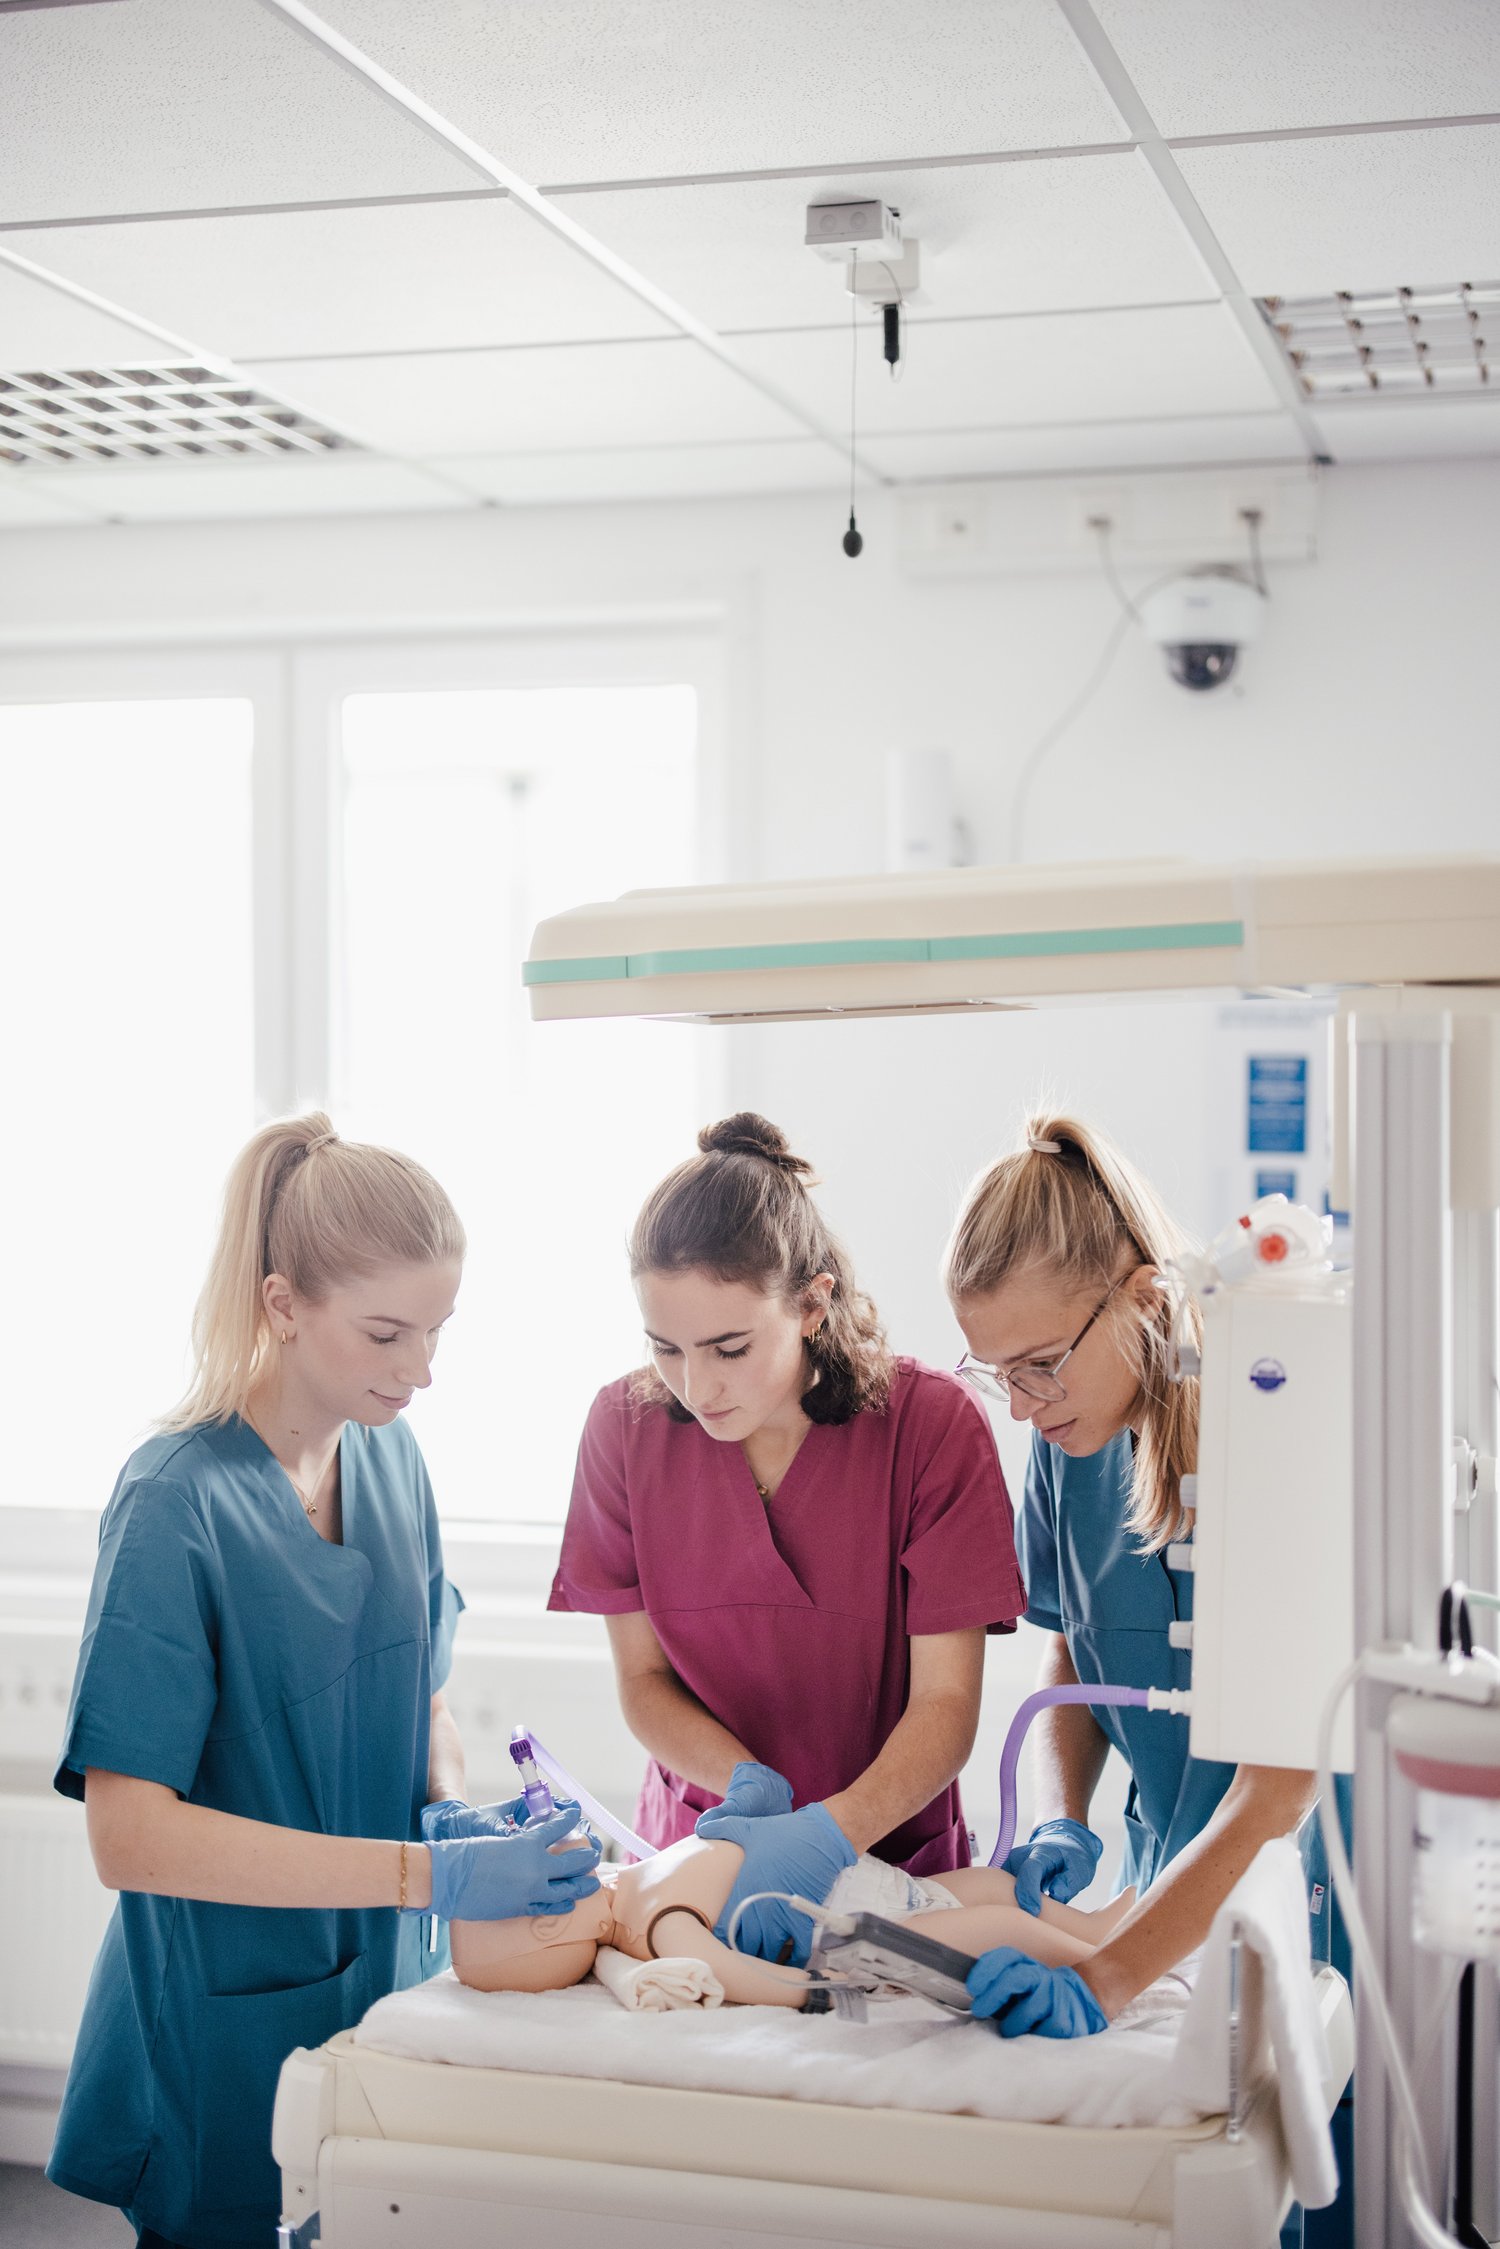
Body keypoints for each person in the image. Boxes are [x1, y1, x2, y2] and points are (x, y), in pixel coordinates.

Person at [47, 1114, 601, 2249]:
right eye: (388, 1332)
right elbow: (131, 1836)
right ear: (284, 1303)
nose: (422, 1369)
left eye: (439, 1328)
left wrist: (455, 1802)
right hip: (227, 2019)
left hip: (387, 1990)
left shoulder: (389, 1452)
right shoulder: (175, 1504)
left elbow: (423, 1697)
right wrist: (429, 1868)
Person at [549, 1112, 1024, 1965]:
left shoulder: (929, 1428)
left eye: (729, 1347)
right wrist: (747, 1790)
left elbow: (947, 1708)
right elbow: (643, 1679)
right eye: (665, 1347)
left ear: (813, 1303)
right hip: (703, 1864)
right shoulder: (624, 1429)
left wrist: (831, 1834)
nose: (696, 1386)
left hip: (891, 1867)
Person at [940, 1112, 1324, 2043]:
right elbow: (1075, 1644)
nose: (1024, 1408)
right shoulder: (1073, 1441)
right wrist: (1061, 1817)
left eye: (1040, 1366)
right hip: (1162, 1901)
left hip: (1300, 1905)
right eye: (1000, 1377)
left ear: (1148, 1302)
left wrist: (1108, 1979)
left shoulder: (1276, 1428)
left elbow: (1281, 1786)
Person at [449, 1794, 1135, 2005]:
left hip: (873, 1875)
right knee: (991, 1920)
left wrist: (745, 1805)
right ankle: (1104, 1958)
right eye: (521, 1861)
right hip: (865, 1925)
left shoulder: (638, 1874)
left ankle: (1100, 1925)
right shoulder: (652, 1928)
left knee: (989, 1884)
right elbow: (734, 1975)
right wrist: (808, 1992)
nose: (526, 1835)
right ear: (543, 1925)